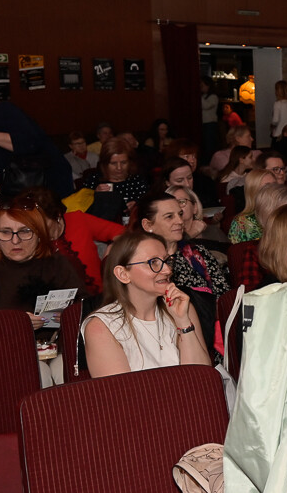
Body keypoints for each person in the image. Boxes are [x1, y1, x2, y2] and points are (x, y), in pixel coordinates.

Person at [81, 230, 211, 377]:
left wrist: (183, 322)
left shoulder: (181, 308)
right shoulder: (102, 327)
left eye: (167, 261)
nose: (167, 270)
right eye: (153, 262)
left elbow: (203, 378)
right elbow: (120, 396)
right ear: (123, 274)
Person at [0, 201, 86, 322]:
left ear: (39, 235)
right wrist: (16, 323)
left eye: (25, 231)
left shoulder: (57, 264)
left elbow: (84, 306)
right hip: (4, 342)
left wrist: (70, 315)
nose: (15, 241)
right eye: (5, 232)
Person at [138, 192, 231, 300]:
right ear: (148, 225)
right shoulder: (140, 262)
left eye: (180, 214)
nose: (180, 221)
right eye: (169, 216)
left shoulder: (197, 253)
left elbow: (224, 298)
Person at [82, 138, 150, 220]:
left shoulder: (137, 180)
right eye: (113, 163)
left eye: (123, 162)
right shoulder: (94, 179)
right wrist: (95, 195)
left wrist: (138, 206)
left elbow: (150, 204)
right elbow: (82, 210)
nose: (119, 168)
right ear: (105, 163)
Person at [228, 169, 274, 243]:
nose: (274, 189)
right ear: (254, 191)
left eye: (274, 185)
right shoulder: (241, 223)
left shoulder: (284, 214)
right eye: (267, 186)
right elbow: (236, 252)